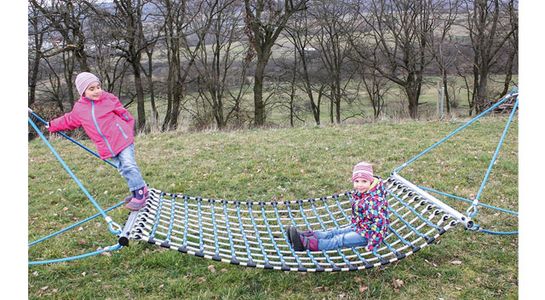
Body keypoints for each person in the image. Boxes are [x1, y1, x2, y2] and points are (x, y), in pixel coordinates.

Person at [47, 72, 149, 211]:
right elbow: (69, 120)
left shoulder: (108, 99)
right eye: (92, 89)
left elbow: (122, 112)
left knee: (129, 165)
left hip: (122, 139)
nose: (97, 91)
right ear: (83, 92)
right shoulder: (80, 109)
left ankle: (140, 195)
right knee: (123, 169)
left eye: (98, 87)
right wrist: (52, 125)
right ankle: (139, 189)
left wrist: (128, 127)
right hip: (107, 147)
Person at [287, 161, 389, 251]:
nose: (360, 185)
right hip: (359, 227)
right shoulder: (364, 192)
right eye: (357, 181)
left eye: (364, 181)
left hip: (369, 235)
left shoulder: (375, 201)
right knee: (334, 232)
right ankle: (304, 236)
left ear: (370, 181)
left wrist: (373, 244)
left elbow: (380, 223)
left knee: (339, 240)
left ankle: (306, 244)